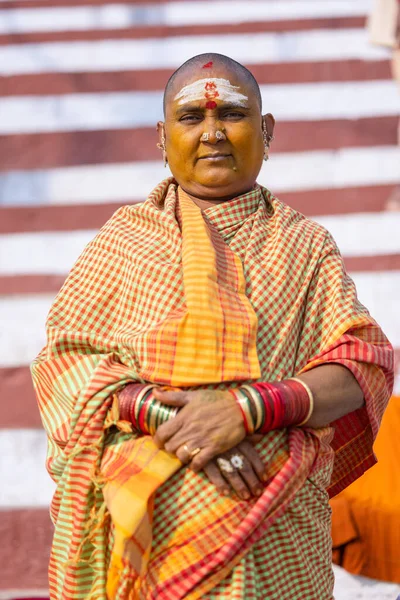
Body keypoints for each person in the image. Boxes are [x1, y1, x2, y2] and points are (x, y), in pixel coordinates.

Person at [31, 53, 394, 600]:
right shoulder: (121, 240)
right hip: (147, 540)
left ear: (267, 131)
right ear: (161, 136)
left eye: (232, 113)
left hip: (278, 538)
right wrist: (177, 422)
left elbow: (361, 366)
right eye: (191, 118)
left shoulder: (304, 243)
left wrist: (244, 411)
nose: (212, 133)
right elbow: (63, 366)